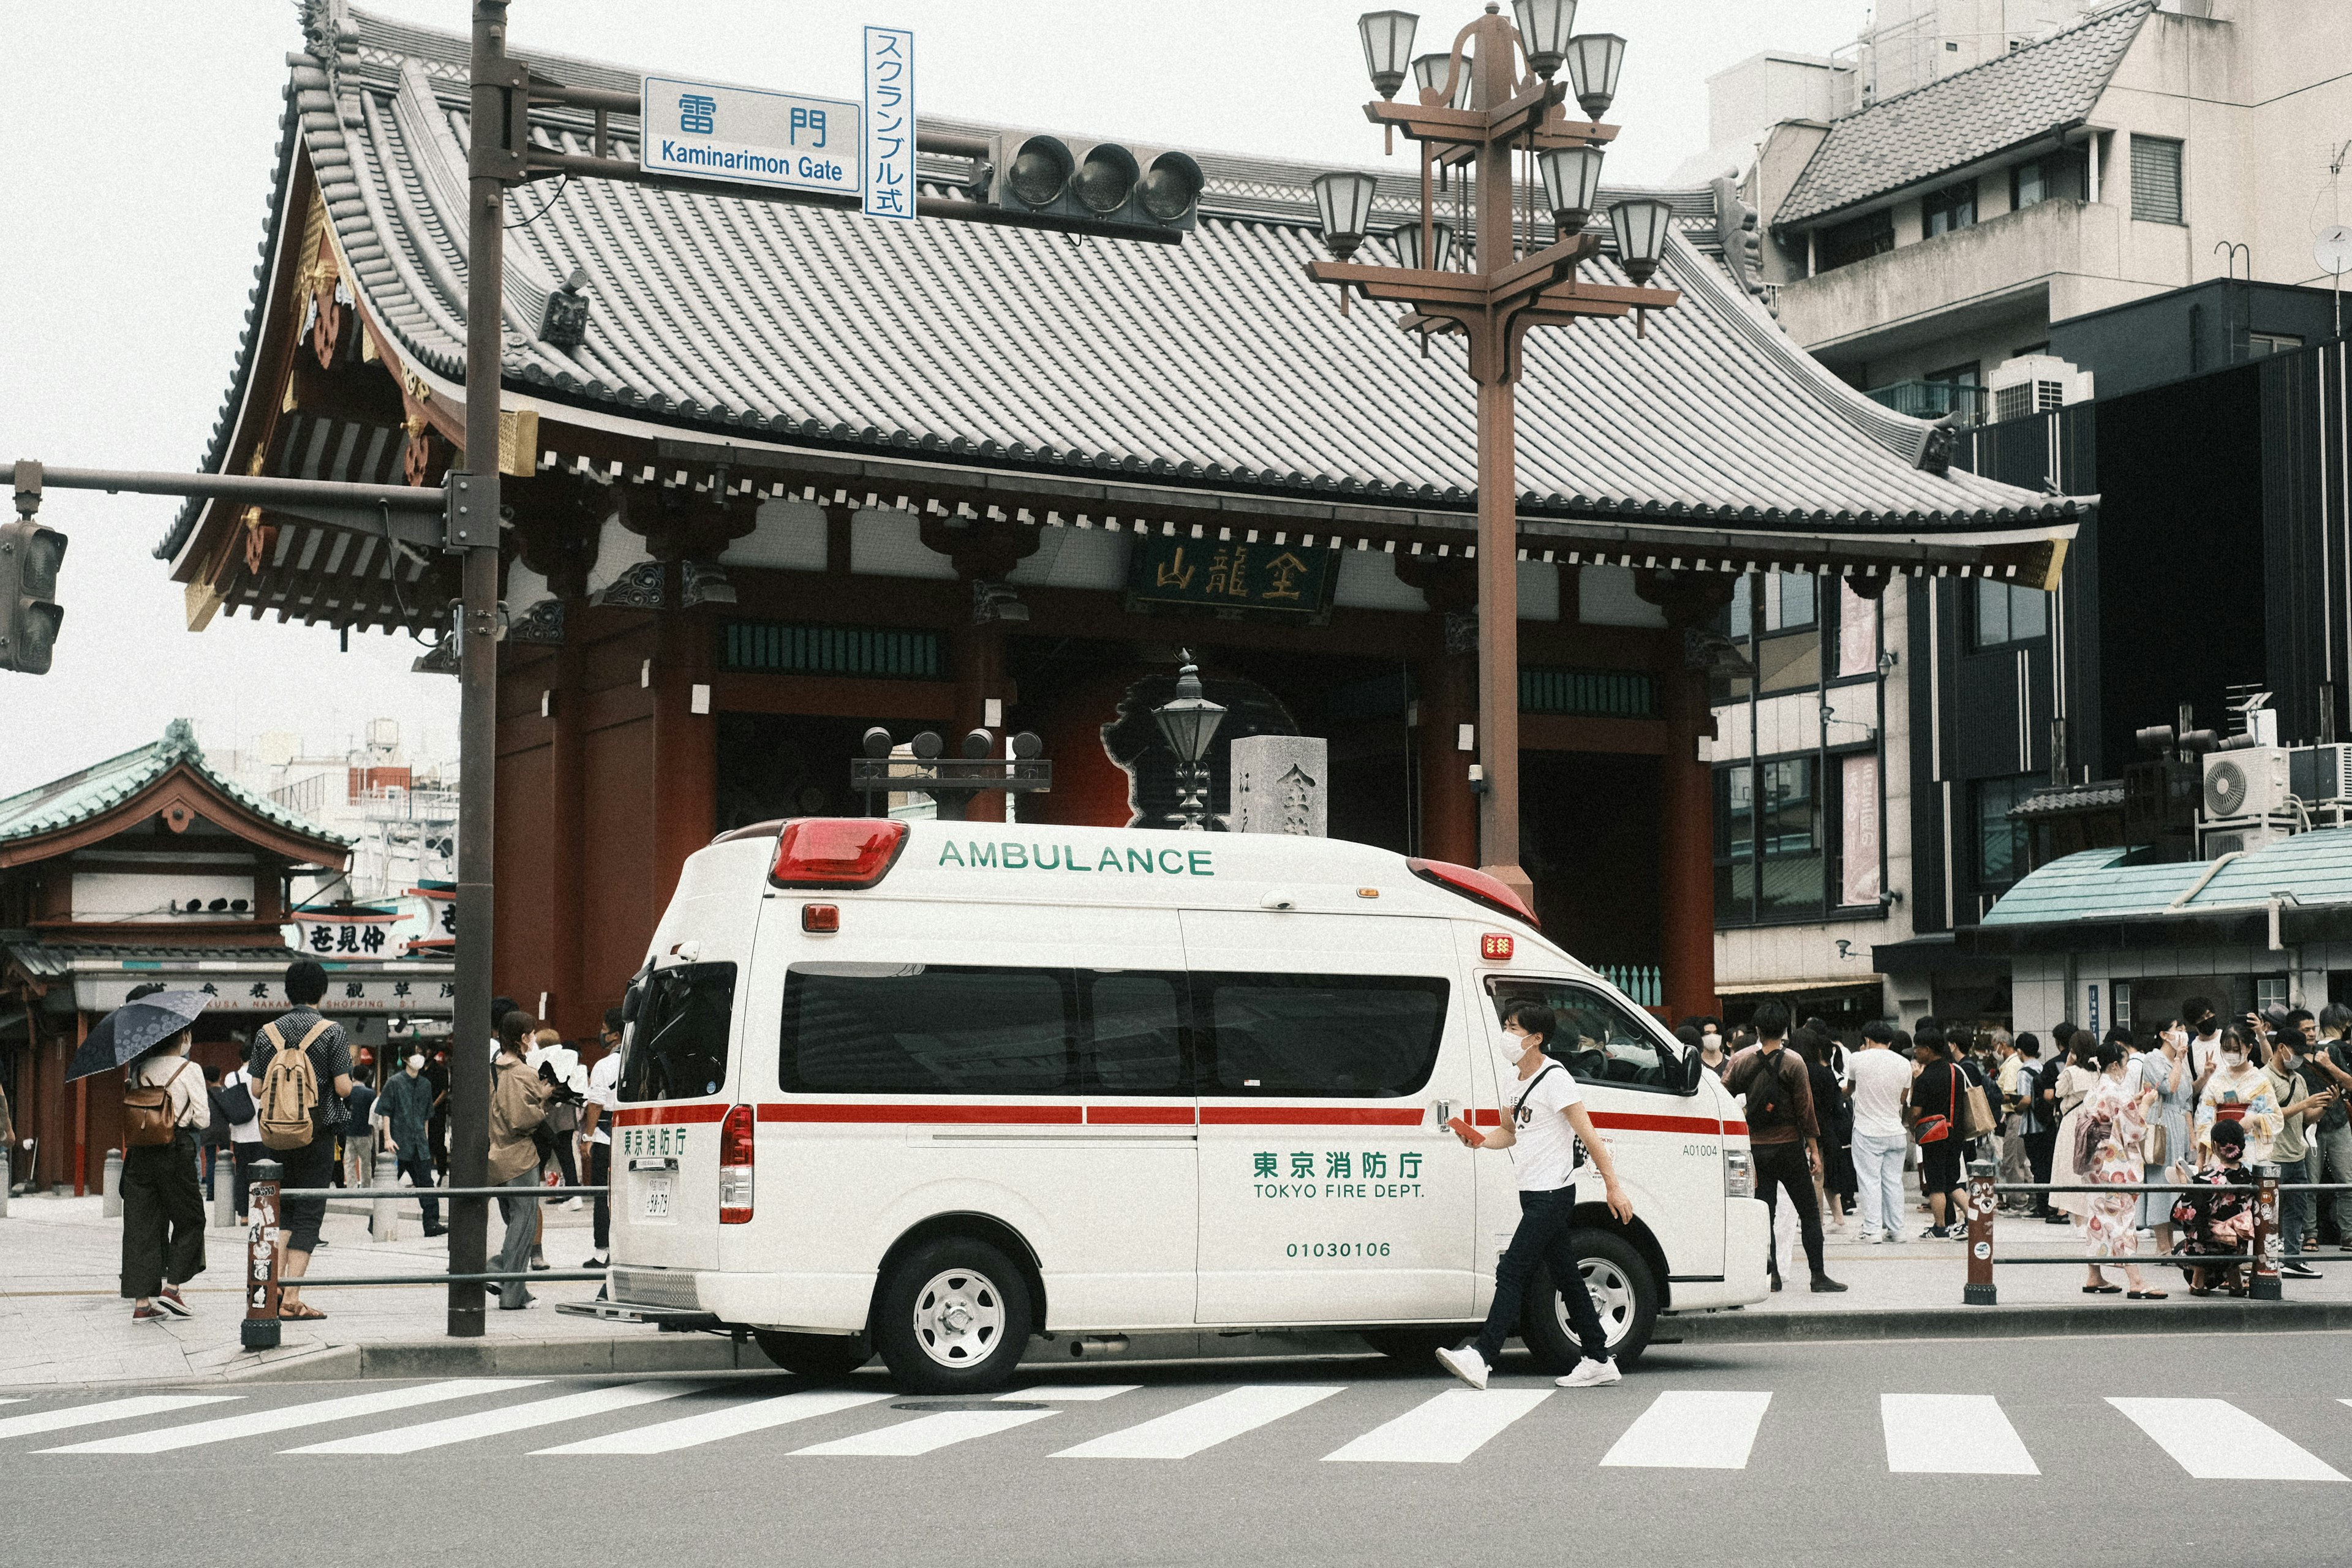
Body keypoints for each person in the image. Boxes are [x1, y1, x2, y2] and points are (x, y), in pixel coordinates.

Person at [1436, 1003, 1634, 1390]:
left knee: (1513, 1269)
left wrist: (1613, 1185)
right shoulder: (1516, 1082)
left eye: (1513, 1028)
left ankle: (1481, 1356)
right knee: (1567, 1276)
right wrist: (1477, 1140)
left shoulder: (1556, 1078)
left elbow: (1590, 1135)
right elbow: (1509, 1133)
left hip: (1553, 1194)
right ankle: (1598, 1357)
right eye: (1506, 1026)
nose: (1506, 1034)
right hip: (1532, 1193)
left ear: (1536, 1038)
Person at [249, 959, 355, 1321]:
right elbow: (342, 1087)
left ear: (288, 991)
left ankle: (272, 1290)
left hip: (276, 1135)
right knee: (309, 1211)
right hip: (316, 1133)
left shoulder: (268, 1033)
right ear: (322, 991)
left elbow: (257, 1087)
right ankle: (292, 1299)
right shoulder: (332, 1032)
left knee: (284, 1211)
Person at [1724, 1002, 1845, 1292]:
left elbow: (1723, 1095)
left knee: (1766, 1213)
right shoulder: (1794, 1062)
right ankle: (1818, 1276)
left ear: (1756, 1030)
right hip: (1790, 1147)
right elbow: (1806, 1110)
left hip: (1756, 1148)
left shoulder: (1742, 1061)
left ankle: (1772, 1275)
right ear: (1786, 1031)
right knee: (1809, 1212)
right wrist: (1814, 1150)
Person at [118, 993, 211, 1321]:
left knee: (142, 1225)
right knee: (190, 1219)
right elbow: (203, 1119)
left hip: (141, 1154)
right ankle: (173, 1287)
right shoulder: (191, 1069)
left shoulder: (141, 1067)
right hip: (176, 1150)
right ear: (183, 1037)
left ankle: (142, 1304)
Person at [2075, 1041, 2163, 1298]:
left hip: (2095, 1162)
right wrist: (2146, 1102)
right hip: (2113, 1164)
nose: (2126, 1069)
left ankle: (2094, 1276)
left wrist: (2134, 1103)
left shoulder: (2096, 1088)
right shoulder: (2115, 1090)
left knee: (2097, 1216)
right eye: (2124, 1064)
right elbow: (2134, 1129)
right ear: (2115, 1065)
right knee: (2121, 1219)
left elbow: (2119, 1113)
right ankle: (2136, 1281)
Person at [487, 1010, 557, 1310]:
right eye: (530, 1033)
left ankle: (515, 1287)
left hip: (494, 1157)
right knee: (524, 1223)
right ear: (522, 1038)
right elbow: (523, 1119)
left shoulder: (490, 1071)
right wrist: (543, 1097)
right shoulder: (525, 1073)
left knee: (513, 1222)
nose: (532, 1039)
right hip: (521, 1158)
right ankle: (502, 1278)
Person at [2263, 1024, 2331, 1280]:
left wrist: (2325, 1106)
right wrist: (2305, 1103)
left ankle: (2292, 1259)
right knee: (2268, 1213)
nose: (2301, 1057)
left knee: (2297, 1210)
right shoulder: (2264, 1078)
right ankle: (2267, 1261)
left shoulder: (2299, 1079)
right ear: (2281, 1048)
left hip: (2296, 1155)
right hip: (2272, 1156)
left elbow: (2306, 1118)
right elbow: (2267, 1116)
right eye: (2297, 1051)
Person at [2176, 1117, 2258, 1295]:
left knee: (2189, 1235)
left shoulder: (2205, 1180)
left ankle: (2198, 1278)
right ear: (2241, 1145)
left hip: (2209, 1246)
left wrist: (2184, 1182)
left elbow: (2185, 1212)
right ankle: (2235, 1281)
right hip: (2237, 1246)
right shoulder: (2251, 1180)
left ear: (2214, 1145)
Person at [1847, 1020, 1912, 1245]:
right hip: (1895, 1131)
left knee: (1869, 1181)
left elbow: (1850, 1088)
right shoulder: (1905, 1064)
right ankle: (1897, 1230)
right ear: (1890, 1041)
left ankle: (1873, 1230)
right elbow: (1903, 1099)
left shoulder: (1857, 1059)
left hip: (1867, 1131)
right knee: (1893, 1182)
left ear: (1866, 1040)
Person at [375, 1049, 443, 1237]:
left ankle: (431, 1223)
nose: (419, 1057)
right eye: (414, 1054)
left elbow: (427, 1115)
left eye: (421, 1053)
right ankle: (376, 1221)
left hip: (419, 1143)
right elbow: (386, 1111)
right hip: (398, 1142)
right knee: (388, 1184)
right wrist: (388, 1138)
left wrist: (426, 1139)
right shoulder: (394, 1082)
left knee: (427, 1185)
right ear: (405, 1059)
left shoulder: (425, 1084)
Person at [1907, 1028, 1968, 1239]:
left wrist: (1911, 1126)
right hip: (1955, 1133)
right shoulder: (1956, 1071)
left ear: (1928, 1049)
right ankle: (1973, 1220)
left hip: (1934, 1136)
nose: (1915, 1052)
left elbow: (1915, 1112)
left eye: (1918, 1048)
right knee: (1952, 1181)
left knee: (1935, 1184)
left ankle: (1940, 1227)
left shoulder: (1925, 1078)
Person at [2138, 1024, 2193, 1255]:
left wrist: (2192, 1136)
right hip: (2162, 1123)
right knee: (2161, 1182)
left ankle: (2171, 1243)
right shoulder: (2152, 1059)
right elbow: (2168, 1087)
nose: (2182, 1032)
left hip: (2179, 1123)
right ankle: (2162, 1244)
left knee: (2175, 1184)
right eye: (2177, 1028)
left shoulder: (2180, 1061)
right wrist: (2180, 1060)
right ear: (2163, 1035)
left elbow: (2187, 1097)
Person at [2304, 1004, 2352, 1250]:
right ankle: (2348, 1234)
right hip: (2332, 1120)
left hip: (2315, 1123)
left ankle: (2312, 1234)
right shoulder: (2339, 1049)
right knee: (2345, 1181)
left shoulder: (2309, 1052)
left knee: (2312, 1182)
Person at [2196, 1028, 2281, 1166]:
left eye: (2236, 1049)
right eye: (2227, 1049)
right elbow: (2205, 1120)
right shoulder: (2216, 1080)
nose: (2231, 1054)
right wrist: (2201, 1156)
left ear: (2249, 1048)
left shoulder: (2260, 1081)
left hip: (2250, 1146)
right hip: (2220, 1149)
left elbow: (2275, 1117)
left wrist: (2254, 1119)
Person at [581, 1008, 624, 1268]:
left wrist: (587, 1136)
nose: (601, 1034)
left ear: (615, 1034)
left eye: (605, 1029)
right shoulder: (640, 1060)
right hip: (632, 1137)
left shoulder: (604, 1066)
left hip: (605, 1137)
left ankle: (602, 1251)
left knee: (602, 1195)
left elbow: (595, 1103)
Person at [1801, 1029, 1855, 1232]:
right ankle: (1838, 1219)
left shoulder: (1806, 1071)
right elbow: (1836, 1102)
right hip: (1831, 1130)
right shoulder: (1828, 1074)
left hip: (1816, 1130)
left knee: (1817, 1177)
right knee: (1828, 1178)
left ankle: (1818, 1221)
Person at [2049, 1035, 2103, 1227]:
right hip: (2093, 1121)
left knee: (2070, 1170)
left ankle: (2080, 1223)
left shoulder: (2071, 1072)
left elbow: (2058, 1091)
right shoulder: (2098, 1071)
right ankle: (2089, 1221)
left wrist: (2067, 1064)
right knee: (2089, 1170)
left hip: (2072, 1122)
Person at [341, 1066, 378, 1191]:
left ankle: (351, 1187)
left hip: (349, 1131)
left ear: (353, 1076)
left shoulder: (348, 1093)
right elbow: (374, 1113)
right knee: (366, 1162)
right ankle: (366, 1187)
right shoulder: (371, 1094)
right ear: (366, 1077)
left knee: (349, 1162)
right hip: (365, 1131)